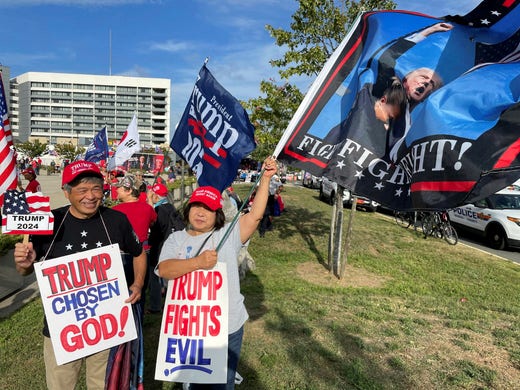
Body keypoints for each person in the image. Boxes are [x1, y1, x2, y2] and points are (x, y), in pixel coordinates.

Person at [13, 160, 147, 390]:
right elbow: (25, 269)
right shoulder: (49, 223)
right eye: (82, 190)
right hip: (62, 330)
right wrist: (24, 263)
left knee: (103, 385)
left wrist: (138, 283)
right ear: (67, 193)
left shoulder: (117, 220)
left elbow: (139, 253)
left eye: (96, 189)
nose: (90, 196)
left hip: (107, 326)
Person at [156, 156, 278, 389]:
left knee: (222, 383)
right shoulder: (176, 239)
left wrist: (265, 179)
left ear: (217, 215)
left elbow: (254, 216)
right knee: (193, 383)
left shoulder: (227, 236)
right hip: (188, 329)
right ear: (189, 209)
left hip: (227, 327)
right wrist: (197, 263)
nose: (201, 213)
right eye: (197, 207)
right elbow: (164, 269)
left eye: (208, 209)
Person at [145, 182, 185, 314]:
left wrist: (149, 203)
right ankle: (171, 299)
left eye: (151, 194)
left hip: (159, 246)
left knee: (154, 275)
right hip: (172, 245)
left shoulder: (158, 210)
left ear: (155, 196)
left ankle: (155, 306)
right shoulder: (170, 207)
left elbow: (153, 226)